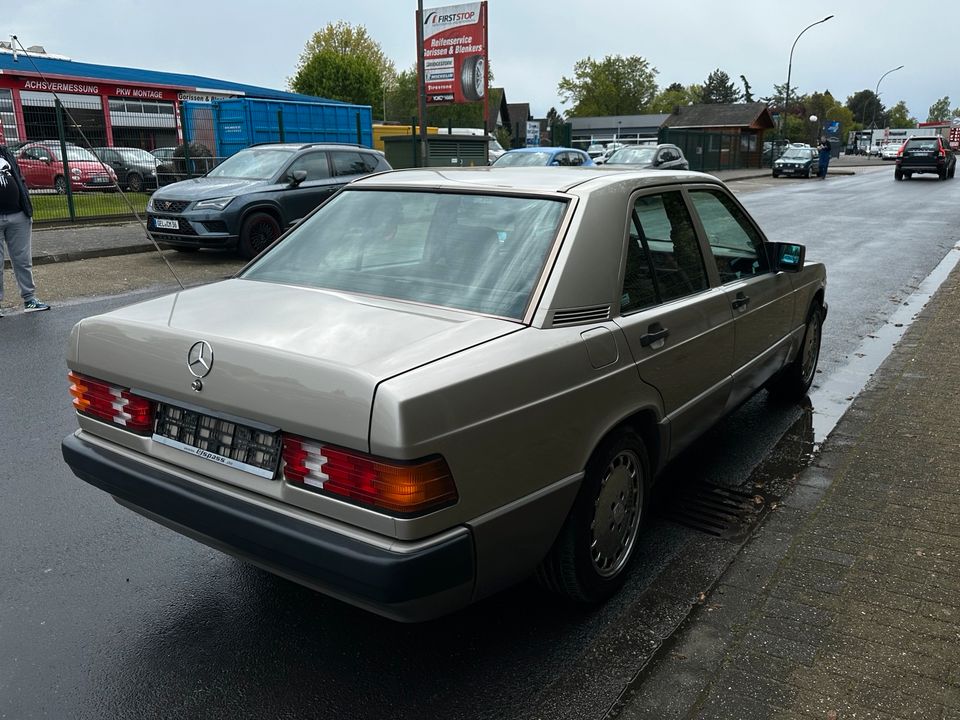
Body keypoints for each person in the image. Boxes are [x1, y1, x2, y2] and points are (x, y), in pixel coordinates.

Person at [0, 143, 49, 317]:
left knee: (23, 260)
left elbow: (18, 177)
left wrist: (25, 206)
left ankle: (30, 299)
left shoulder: (5, 153)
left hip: (18, 214)